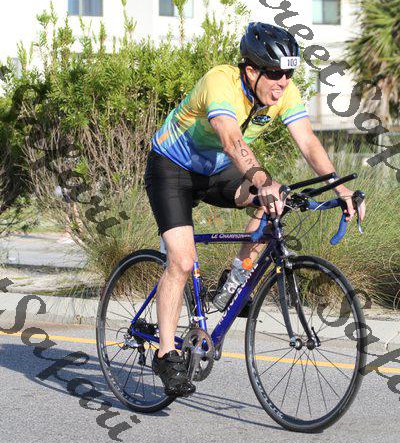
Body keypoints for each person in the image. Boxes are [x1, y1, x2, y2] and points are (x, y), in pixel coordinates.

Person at [144, 22, 366, 397]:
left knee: (275, 203)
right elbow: (232, 141)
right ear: (251, 70)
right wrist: (263, 180)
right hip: (172, 169)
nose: (283, 83)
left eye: (289, 74)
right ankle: (166, 354)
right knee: (181, 262)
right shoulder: (221, 82)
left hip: (217, 171)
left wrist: (339, 188)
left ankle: (232, 285)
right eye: (276, 74)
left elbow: (308, 142)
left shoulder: (284, 92)